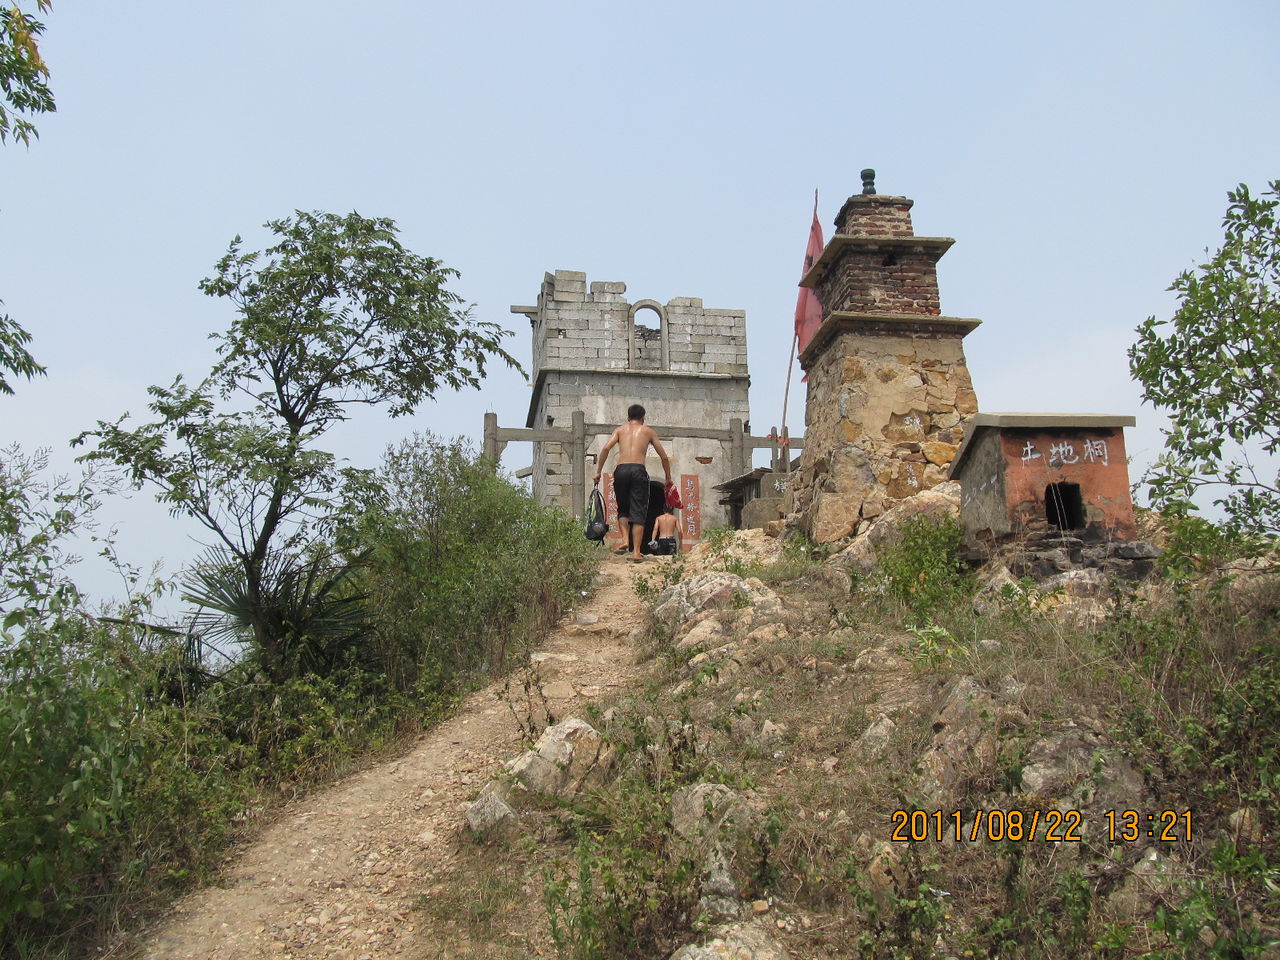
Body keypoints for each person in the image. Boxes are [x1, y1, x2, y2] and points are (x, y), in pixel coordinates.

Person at [593, 404, 672, 563]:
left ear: (628, 418)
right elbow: (664, 457)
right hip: (638, 470)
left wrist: (598, 472)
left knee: (622, 508)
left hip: (621, 470)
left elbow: (606, 448)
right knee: (639, 511)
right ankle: (636, 552)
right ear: (643, 418)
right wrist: (668, 478)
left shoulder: (620, 430)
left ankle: (625, 541)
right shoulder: (648, 431)